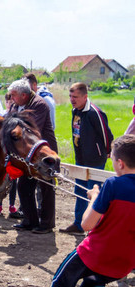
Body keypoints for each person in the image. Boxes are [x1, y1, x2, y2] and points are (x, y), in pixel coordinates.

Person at [32, 135, 135, 287]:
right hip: (124, 262)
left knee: (61, 284)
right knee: (94, 282)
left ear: (120, 163)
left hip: (95, 253)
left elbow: (87, 224)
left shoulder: (113, 184)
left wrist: (94, 198)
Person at [60, 82, 113, 236]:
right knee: (79, 190)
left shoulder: (94, 113)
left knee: (94, 193)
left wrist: (107, 151)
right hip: (81, 159)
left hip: (95, 159)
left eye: (75, 96)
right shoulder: (75, 111)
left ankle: (95, 227)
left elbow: (106, 134)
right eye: (70, 96)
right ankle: (78, 224)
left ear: (85, 97)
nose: (72, 99)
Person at [8, 79, 58, 234]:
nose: (11, 98)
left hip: (44, 153)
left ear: (24, 95)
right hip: (28, 154)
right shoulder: (16, 104)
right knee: (24, 187)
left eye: (14, 95)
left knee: (45, 188)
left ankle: (46, 224)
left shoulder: (39, 104)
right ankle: (30, 220)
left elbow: (29, 128)